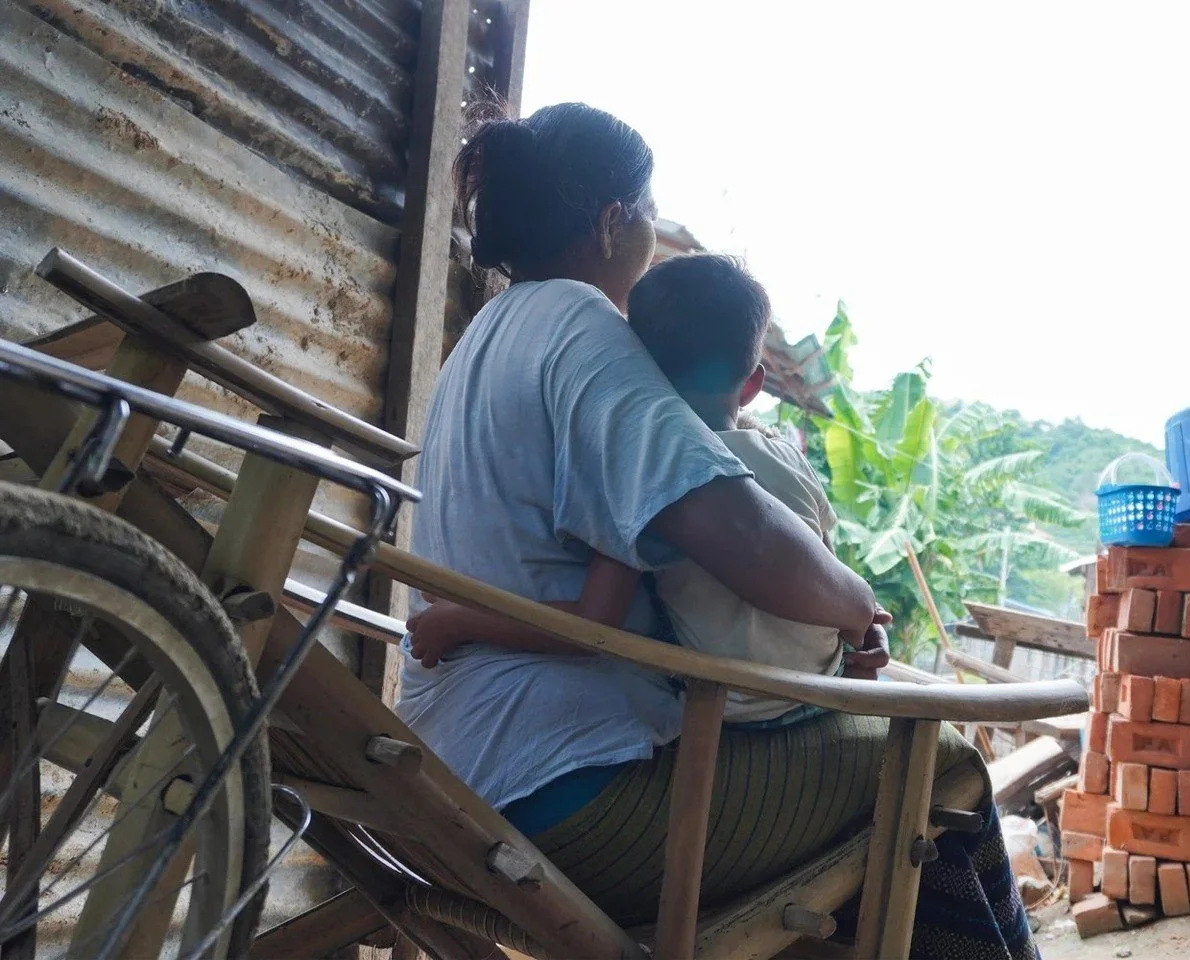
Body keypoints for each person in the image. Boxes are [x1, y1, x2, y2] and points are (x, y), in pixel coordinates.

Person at [393, 101, 1037, 959]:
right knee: (945, 758)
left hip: (458, 775)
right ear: (612, 221)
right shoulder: (582, 328)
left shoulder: (484, 337)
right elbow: (745, 537)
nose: (653, 230)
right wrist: (856, 605)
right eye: (650, 211)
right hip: (573, 794)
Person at [407, 252, 858, 724]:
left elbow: (592, 624)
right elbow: (829, 561)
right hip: (822, 685)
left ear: (635, 367)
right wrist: (861, 621)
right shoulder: (789, 456)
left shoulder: (651, 470)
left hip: (733, 708)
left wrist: (461, 620)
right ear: (752, 385)